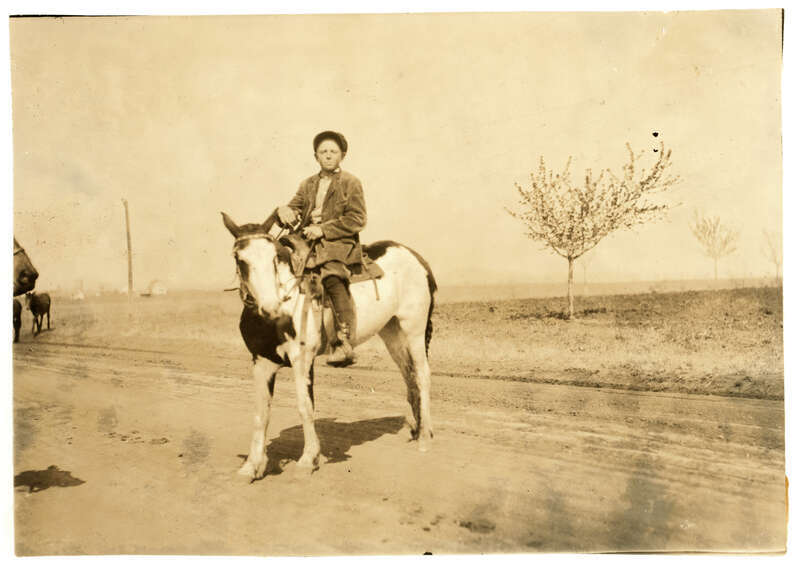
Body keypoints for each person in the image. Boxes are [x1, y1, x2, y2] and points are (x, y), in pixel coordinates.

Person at [277, 131, 366, 367]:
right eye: (323, 151)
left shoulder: (350, 182)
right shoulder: (307, 184)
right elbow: (294, 207)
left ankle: (344, 342)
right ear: (316, 156)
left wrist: (324, 229)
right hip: (307, 241)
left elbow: (357, 219)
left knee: (332, 274)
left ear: (342, 155)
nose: (328, 155)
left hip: (338, 243)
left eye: (333, 151)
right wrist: (284, 210)